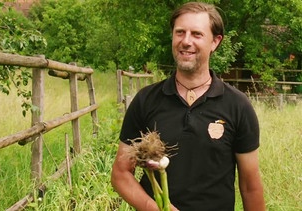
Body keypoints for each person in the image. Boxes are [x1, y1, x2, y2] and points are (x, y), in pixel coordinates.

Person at [111, 2, 265, 211]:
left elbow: (250, 187)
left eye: (197, 34)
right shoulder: (146, 100)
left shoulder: (238, 106)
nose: (186, 41)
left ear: (215, 42)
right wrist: (153, 208)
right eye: (180, 32)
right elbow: (121, 173)